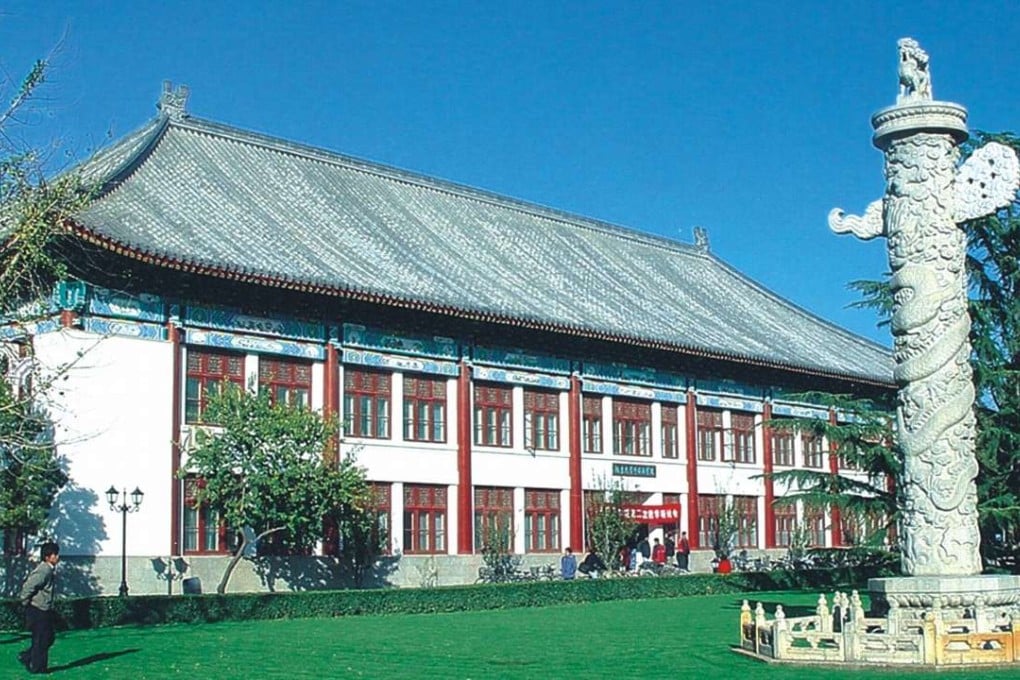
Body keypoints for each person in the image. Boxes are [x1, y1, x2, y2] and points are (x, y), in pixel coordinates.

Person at [19, 541, 59, 674]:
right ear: (48, 557)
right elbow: (28, 587)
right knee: (41, 638)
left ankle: (27, 656)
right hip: (38, 609)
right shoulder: (44, 570)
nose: (57, 557)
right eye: (55, 555)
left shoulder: (48, 569)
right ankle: (37, 667)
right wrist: (25, 602)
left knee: (48, 637)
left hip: (43, 609)